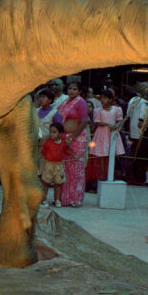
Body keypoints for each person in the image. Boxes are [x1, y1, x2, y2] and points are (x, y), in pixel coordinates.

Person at [56, 79, 89, 207]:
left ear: (80, 91)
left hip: (77, 138)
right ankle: (65, 198)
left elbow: (83, 122)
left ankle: (76, 199)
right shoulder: (65, 102)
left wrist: (72, 137)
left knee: (76, 168)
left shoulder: (81, 103)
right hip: (64, 137)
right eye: (70, 88)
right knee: (65, 169)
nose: (71, 91)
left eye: (75, 89)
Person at [87, 87, 124, 184]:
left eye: (105, 98)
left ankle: (112, 174)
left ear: (111, 100)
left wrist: (116, 126)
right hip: (101, 134)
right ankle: (103, 174)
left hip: (112, 134)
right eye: (102, 98)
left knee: (113, 154)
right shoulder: (98, 110)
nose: (103, 100)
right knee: (102, 155)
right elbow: (97, 122)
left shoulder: (117, 109)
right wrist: (108, 125)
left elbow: (120, 119)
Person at [40, 122, 67, 206]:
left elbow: (66, 150)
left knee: (58, 183)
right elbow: (43, 153)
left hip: (59, 165)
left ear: (60, 134)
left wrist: (74, 155)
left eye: (54, 132)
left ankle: (57, 200)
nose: (51, 134)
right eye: (50, 132)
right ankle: (44, 200)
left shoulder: (63, 143)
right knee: (46, 183)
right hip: (49, 165)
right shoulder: (48, 143)